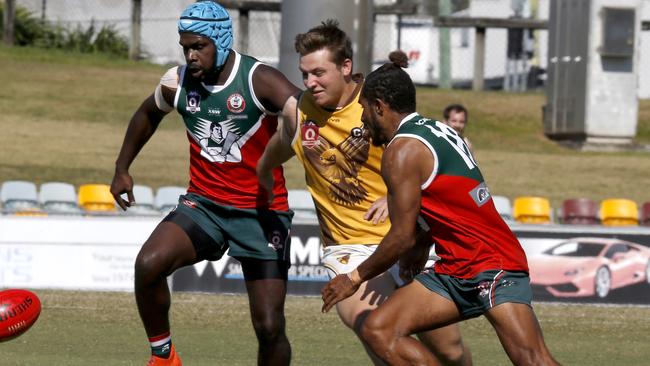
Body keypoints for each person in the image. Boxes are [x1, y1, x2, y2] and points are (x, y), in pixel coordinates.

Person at [321, 53, 560, 366]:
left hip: (490, 265)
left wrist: (352, 277)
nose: (363, 119)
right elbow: (444, 203)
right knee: (379, 330)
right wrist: (421, 246)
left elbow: (401, 236)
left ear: (379, 106)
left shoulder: (402, 150)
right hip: (455, 267)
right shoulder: (435, 128)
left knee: (533, 360)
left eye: (364, 109)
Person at [257, 21, 470, 365]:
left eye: (318, 73)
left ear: (346, 67)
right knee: (379, 335)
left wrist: (396, 195)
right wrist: (264, 170)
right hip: (349, 250)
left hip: (404, 241)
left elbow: (432, 152)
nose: (309, 83)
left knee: (450, 352)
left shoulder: (380, 103)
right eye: (304, 74)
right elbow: (282, 144)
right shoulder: (299, 111)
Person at [110, 2, 300, 365]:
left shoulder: (259, 79)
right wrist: (122, 167)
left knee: (270, 325)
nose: (191, 55)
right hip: (204, 207)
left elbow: (303, 109)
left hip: (261, 213)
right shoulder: (176, 81)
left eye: (199, 46)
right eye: (185, 47)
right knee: (148, 264)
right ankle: (164, 356)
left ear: (221, 42)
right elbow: (146, 114)